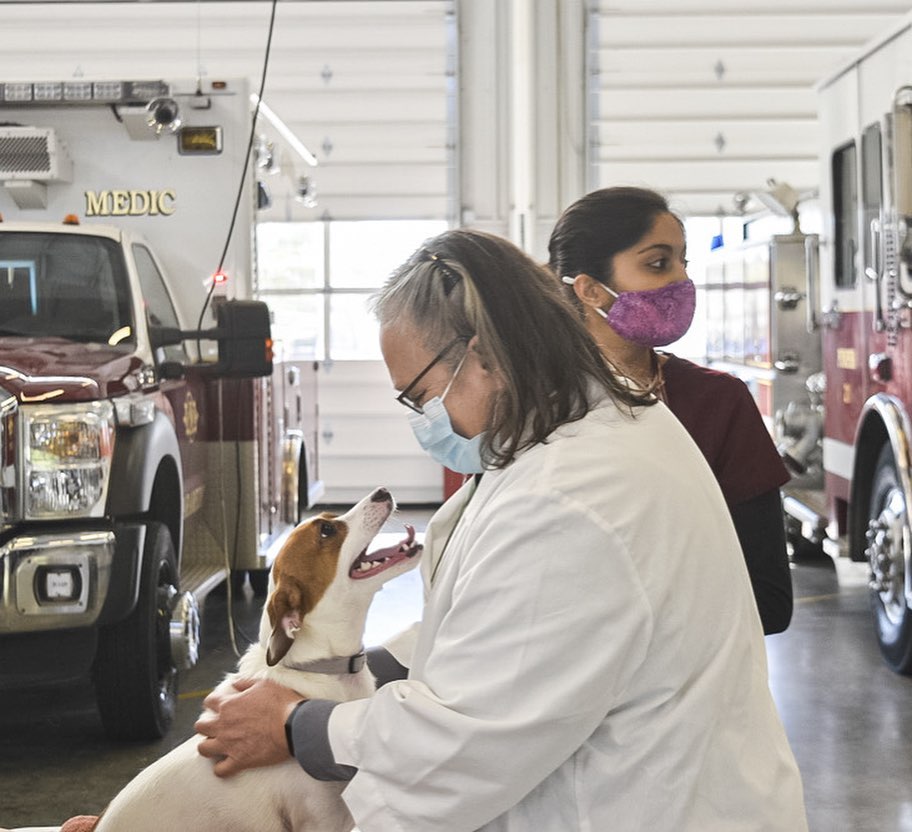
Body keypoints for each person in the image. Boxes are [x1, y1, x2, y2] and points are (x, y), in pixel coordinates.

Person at [195, 228, 808, 831]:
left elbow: (462, 745)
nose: (423, 418)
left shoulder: (569, 498)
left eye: (421, 394)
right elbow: (492, 621)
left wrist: (295, 725)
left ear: (483, 356)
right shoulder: (575, 428)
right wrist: (359, 667)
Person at [548, 186, 793, 635]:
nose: (681, 281)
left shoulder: (718, 402)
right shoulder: (539, 406)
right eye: (658, 263)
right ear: (589, 290)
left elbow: (768, 599)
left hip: (691, 689)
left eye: (684, 262)